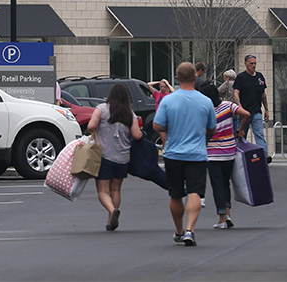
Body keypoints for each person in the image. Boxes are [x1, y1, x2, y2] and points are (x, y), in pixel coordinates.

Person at [153, 62, 216, 247]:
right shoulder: (205, 101)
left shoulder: (168, 100)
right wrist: (204, 140)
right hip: (197, 154)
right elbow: (212, 128)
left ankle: (179, 230)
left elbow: (157, 125)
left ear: (178, 78)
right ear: (195, 77)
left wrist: (168, 130)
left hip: (173, 153)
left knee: (176, 194)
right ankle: (190, 230)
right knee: (195, 192)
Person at [88, 83, 143, 231]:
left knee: (102, 191)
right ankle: (110, 219)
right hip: (123, 157)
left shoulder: (101, 109)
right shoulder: (129, 113)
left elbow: (91, 126)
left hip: (104, 156)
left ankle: (112, 212)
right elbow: (137, 135)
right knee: (116, 189)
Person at [199, 83, 250, 230]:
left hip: (212, 154)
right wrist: (240, 129)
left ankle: (222, 217)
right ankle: (227, 213)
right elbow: (246, 114)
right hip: (229, 152)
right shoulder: (228, 106)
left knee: (217, 186)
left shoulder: (205, 112)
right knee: (226, 183)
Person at [233, 54, 271, 162]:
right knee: (241, 134)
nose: (253, 65)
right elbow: (236, 93)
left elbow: (263, 94)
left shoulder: (259, 77)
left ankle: (264, 155)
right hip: (244, 113)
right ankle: (239, 155)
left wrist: (266, 110)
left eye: (255, 63)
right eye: (251, 64)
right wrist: (239, 108)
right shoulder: (241, 77)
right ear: (245, 64)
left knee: (259, 134)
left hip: (256, 111)